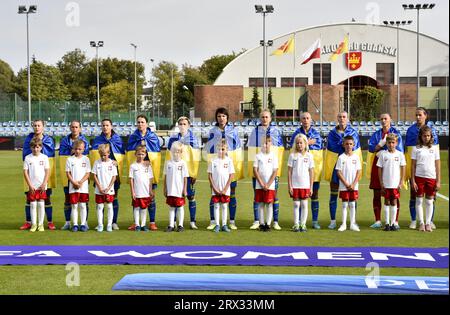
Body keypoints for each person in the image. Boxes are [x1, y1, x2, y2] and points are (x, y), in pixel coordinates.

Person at [205, 107, 243, 230]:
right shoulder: (212, 131)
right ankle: (213, 221)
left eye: (224, 116)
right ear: (216, 118)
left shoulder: (233, 131)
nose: (221, 118)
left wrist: (237, 166)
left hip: (229, 167)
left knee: (232, 193)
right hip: (216, 167)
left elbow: (238, 150)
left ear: (227, 118)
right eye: (219, 116)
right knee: (213, 194)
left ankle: (231, 221)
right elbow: (209, 149)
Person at [324, 111, 362, 229]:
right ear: (337, 118)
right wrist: (341, 143)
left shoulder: (353, 133)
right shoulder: (332, 134)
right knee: (334, 194)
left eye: (344, 117)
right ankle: (333, 220)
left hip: (350, 168)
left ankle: (353, 221)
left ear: (348, 118)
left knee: (352, 197)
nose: (342, 119)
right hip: (337, 165)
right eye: (340, 116)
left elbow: (355, 149)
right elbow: (332, 148)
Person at [248, 110, 284, 230]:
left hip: (272, 172)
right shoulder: (255, 132)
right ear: (260, 118)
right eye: (262, 117)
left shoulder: (276, 131)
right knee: (257, 197)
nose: (264, 119)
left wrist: (276, 171)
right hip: (259, 170)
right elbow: (251, 150)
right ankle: (257, 221)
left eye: (266, 117)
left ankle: (275, 221)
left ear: (270, 118)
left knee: (274, 196)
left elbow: (280, 150)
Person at [366, 113, 404, 229]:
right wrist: (380, 144)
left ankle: (395, 221)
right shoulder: (376, 134)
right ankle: (378, 220)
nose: (383, 120)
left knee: (394, 196)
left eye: (385, 118)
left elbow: (399, 149)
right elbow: (371, 148)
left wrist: (383, 150)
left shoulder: (396, 133)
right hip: (379, 165)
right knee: (377, 193)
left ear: (390, 120)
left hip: (392, 167)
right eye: (381, 119)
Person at [405, 107, 439, 229]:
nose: (418, 117)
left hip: (430, 173)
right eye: (416, 115)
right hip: (416, 170)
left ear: (425, 116)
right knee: (413, 195)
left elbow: (436, 152)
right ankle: (415, 220)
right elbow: (407, 151)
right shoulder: (410, 130)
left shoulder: (433, 130)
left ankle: (430, 221)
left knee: (431, 197)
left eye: (420, 115)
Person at [20, 119, 56, 230]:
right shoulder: (28, 139)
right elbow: (25, 154)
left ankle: (49, 221)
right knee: (29, 198)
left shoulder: (49, 140)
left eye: (39, 125)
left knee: (46, 198)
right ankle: (29, 222)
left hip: (45, 174)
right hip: (31, 174)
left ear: (43, 127)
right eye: (35, 125)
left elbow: (50, 156)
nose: (36, 127)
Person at [126, 115, 161, 231]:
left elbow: (156, 155)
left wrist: (149, 161)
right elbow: (130, 154)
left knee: (151, 197)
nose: (140, 124)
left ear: (146, 124)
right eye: (139, 122)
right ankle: (137, 223)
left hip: (149, 173)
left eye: (142, 122)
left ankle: (152, 222)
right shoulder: (133, 137)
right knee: (136, 198)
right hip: (137, 173)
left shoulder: (153, 137)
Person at [290, 112, 323, 229]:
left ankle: (314, 221)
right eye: (303, 118)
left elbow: (318, 145)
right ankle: (298, 222)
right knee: (298, 199)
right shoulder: (296, 133)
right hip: (299, 173)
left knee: (314, 195)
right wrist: (308, 142)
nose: (305, 120)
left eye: (308, 118)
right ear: (300, 120)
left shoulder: (316, 133)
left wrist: (305, 143)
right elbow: (292, 145)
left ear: (311, 120)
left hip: (312, 169)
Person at [90, 118, 125, 230]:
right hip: (100, 175)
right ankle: (100, 223)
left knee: (113, 198)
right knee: (100, 198)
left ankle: (113, 222)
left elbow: (122, 155)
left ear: (111, 126)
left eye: (107, 125)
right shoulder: (97, 140)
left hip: (112, 174)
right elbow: (94, 156)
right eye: (103, 125)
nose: (105, 127)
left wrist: (117, 162)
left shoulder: (117, 139)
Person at [167, 117, 201, 229]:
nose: (182, 126)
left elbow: (196, 158)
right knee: (176, 196)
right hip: (175, 174)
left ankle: (192, 221)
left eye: (184, 124)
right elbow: (168, 156)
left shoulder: (193, 139)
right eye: (180, 124)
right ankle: (175, 222)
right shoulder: (173, 139)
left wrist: (194, 173)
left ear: (188, 125)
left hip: (188, 173)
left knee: (190, 196)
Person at [59, 120, 90, 230]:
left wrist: (80, 182)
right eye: (72, 127)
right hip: (69, 177)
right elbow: (62, 157)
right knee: (68, 199)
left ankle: (84, 222)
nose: (74, 129)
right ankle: (68, 222)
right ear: (70, 128)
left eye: (76, 127)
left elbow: (87, 163)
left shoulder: (85, 141)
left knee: (83, 203)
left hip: (81, 179)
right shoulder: (64, 141)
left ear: (80, 128)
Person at [411, 126, 441, 232]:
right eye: (424, 136)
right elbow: (413, 166)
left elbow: (438, 165)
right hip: (419, 178)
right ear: (421, 136)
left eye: (428, 136)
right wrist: (413, 180)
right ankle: (421, 223)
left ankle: (428, 223)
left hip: (431, 178)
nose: (426, 138)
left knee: (429, 201)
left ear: (431, 136)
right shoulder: (416, 149)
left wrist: (438, 181)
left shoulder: (435, 148)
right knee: (419, 201)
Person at [376, 133, 406, 231]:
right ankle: (387, 223)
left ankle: (393, 223)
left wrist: (401, 181)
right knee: (386, 201)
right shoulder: (383, 154)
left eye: (393, 142)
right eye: (389, 143)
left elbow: (403, 167)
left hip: (395, 183)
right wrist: (381, 182)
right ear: (386, 143)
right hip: (386, 183)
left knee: (394, 201)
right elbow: (379, 169)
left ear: (396, 143)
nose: (391, 144)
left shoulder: (400, 154)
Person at [288, 134, 314, 232]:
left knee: (304, 204)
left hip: (305, 185)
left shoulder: (309, 156)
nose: (299, 145)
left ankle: (303, 224)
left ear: (305, 143)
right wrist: (290, 185)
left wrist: (311, 187)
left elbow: (311, 172)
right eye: (297, 143)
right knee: (296, 205)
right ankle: (296, 224)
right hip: (295, 185)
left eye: (301, 143)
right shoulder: (292, 155)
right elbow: (289, 172)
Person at [208, 139, 235, 233]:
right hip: (216, 188)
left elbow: (231, 175)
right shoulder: (213, 161)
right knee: (216, 206)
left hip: (225, 189)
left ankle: (224, 224)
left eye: (223, 149)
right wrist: (215, 188)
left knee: (224, 206)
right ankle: (217, 225)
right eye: (219, 149)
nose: (221, 151)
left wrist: (225, 189)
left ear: (226, 150)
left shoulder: (229, 161)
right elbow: (210, 176)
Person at [335, 136, 362, 232]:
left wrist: (354, 184)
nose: (348, 146)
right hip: (344, 186)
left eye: (350, 144)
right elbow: (338, 172)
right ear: (343, 145)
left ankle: (352, 224)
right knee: (344, 204)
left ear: (353, 145)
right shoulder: (341, 157)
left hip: (354, 186)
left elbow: (359, 171)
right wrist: (346, 183)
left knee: (352, 204)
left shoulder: (356, 157)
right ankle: (343, 224)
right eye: (346, 144)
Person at [23, 137, 50, 232]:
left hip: (42, 186)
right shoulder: (28, 158)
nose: (35, 149)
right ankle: (34, 224)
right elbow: (25, 172)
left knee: (41, 204)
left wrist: (44, 183)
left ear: (41, 147)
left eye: (38, 147)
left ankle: (40, 224)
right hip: (32, 186)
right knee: (33, 204)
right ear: (31, 147)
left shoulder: (44, 157)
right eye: (34, 147)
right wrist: (30, 185)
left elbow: (47, 171)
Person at [253, 135, 279, 232]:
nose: (265, 145)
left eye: (267, 143)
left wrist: (268, 184)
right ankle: (262, 223)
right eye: (263, 143)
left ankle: (268, 224)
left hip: (270, 185)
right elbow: (255, 170)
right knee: (260, 204)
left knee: (269, 204)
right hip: (259, 185)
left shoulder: (273, 156)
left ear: (270, 144)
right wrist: (261, 183)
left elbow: (275, 171)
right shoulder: (258, 156)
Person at [65, 140, 91, 232]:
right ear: (73, 149)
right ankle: (75, 224)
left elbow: (88, 173)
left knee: (83, 205)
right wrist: (74, 182)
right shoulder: (69, 159)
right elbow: (68, 173)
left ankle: (83, 224)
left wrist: (80, 182)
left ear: (83, 149)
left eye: (80, 149)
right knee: (74, 206)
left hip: (83, 187)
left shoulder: (86, 159)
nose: (77, 151)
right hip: (73, 187)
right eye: (76, 149)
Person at [92, 144, 117, 232]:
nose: (103, 157)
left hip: (109, 190)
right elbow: (94, 175)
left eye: (105, 155)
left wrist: (108, 187)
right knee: (100, 207)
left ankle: (109, 225)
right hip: (99, 190)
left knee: (110, 206)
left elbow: (114, 176)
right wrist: (99, 187)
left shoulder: (112, 163)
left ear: (109, 153)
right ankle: (100, 225)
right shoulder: (96, 162)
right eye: (101, 155)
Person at [164, 141, 189, 232]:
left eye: (179, 151)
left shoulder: (183, 163)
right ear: (171, 151)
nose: (176, 153)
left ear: (182, 153)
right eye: (175, 151)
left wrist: (185, 189)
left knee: (180, 207)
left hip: (179, 189)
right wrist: (165, 188)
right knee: (171, 207)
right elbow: (165, 176)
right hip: (170, 189)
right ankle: (171, 225)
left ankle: (180, 225)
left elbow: (185, 177)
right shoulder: (168, 163)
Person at [129, 145, 154, 232]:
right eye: (139, 154)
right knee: (136, 208)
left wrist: (150, 190)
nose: (140, 156)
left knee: (144, 208)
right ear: (135, 154)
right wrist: (133, 192)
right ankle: (137, 225)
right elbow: (131, 179)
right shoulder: (133, 166)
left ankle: (143, 225)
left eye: (142, 154)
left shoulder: (148, 166)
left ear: (145, 154)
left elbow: (151, 178)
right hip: (137, 191)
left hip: (145, 191)